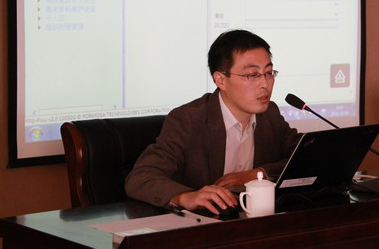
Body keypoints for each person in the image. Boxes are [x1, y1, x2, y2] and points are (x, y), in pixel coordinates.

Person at [125, 29, 300, 214]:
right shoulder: (189, 120)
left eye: (269, 72)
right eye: (252, 75)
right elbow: (140, 177)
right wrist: (186, 197)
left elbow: (305, 156)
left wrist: (257, 174)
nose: (265, 84)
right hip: (201, 224)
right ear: (221, 80)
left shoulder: (269, 115)